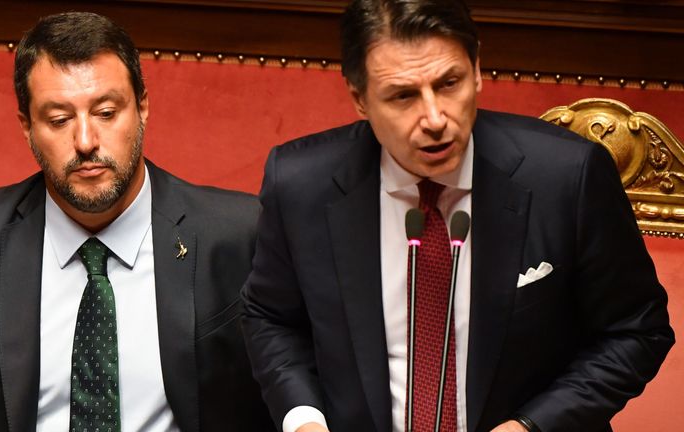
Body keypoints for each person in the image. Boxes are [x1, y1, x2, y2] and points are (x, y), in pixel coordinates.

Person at [241, 1, 674, 431]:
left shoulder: (567, 177)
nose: (434, 119)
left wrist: (530, 427)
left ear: (478, 69)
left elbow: (637, 331)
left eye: (449, 83)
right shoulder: (300, 185)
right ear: (360, 98)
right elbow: (271, 318)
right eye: (403, 96)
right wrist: (304, 420)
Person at [0, 12, 273, 432]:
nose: (85, 142)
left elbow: (297, 377)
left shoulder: (238, 232)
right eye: (59, 120)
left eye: (105, 112)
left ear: (142, 107)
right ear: (27, 127)